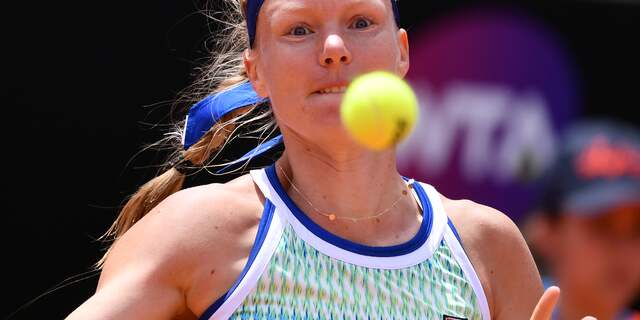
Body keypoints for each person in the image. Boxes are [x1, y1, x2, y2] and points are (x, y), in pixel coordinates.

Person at [65, 0, 578, 319]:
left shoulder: (488, 246)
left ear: (401, 53)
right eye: (299, 29)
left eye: (360, 21)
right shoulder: (197, 231)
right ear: (256, 70)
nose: (334, 48)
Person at [524, 120, 640, 320]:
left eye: (637, 228)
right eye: (602, 224)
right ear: (547, 230)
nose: (622, 248)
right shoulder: (492, 309)